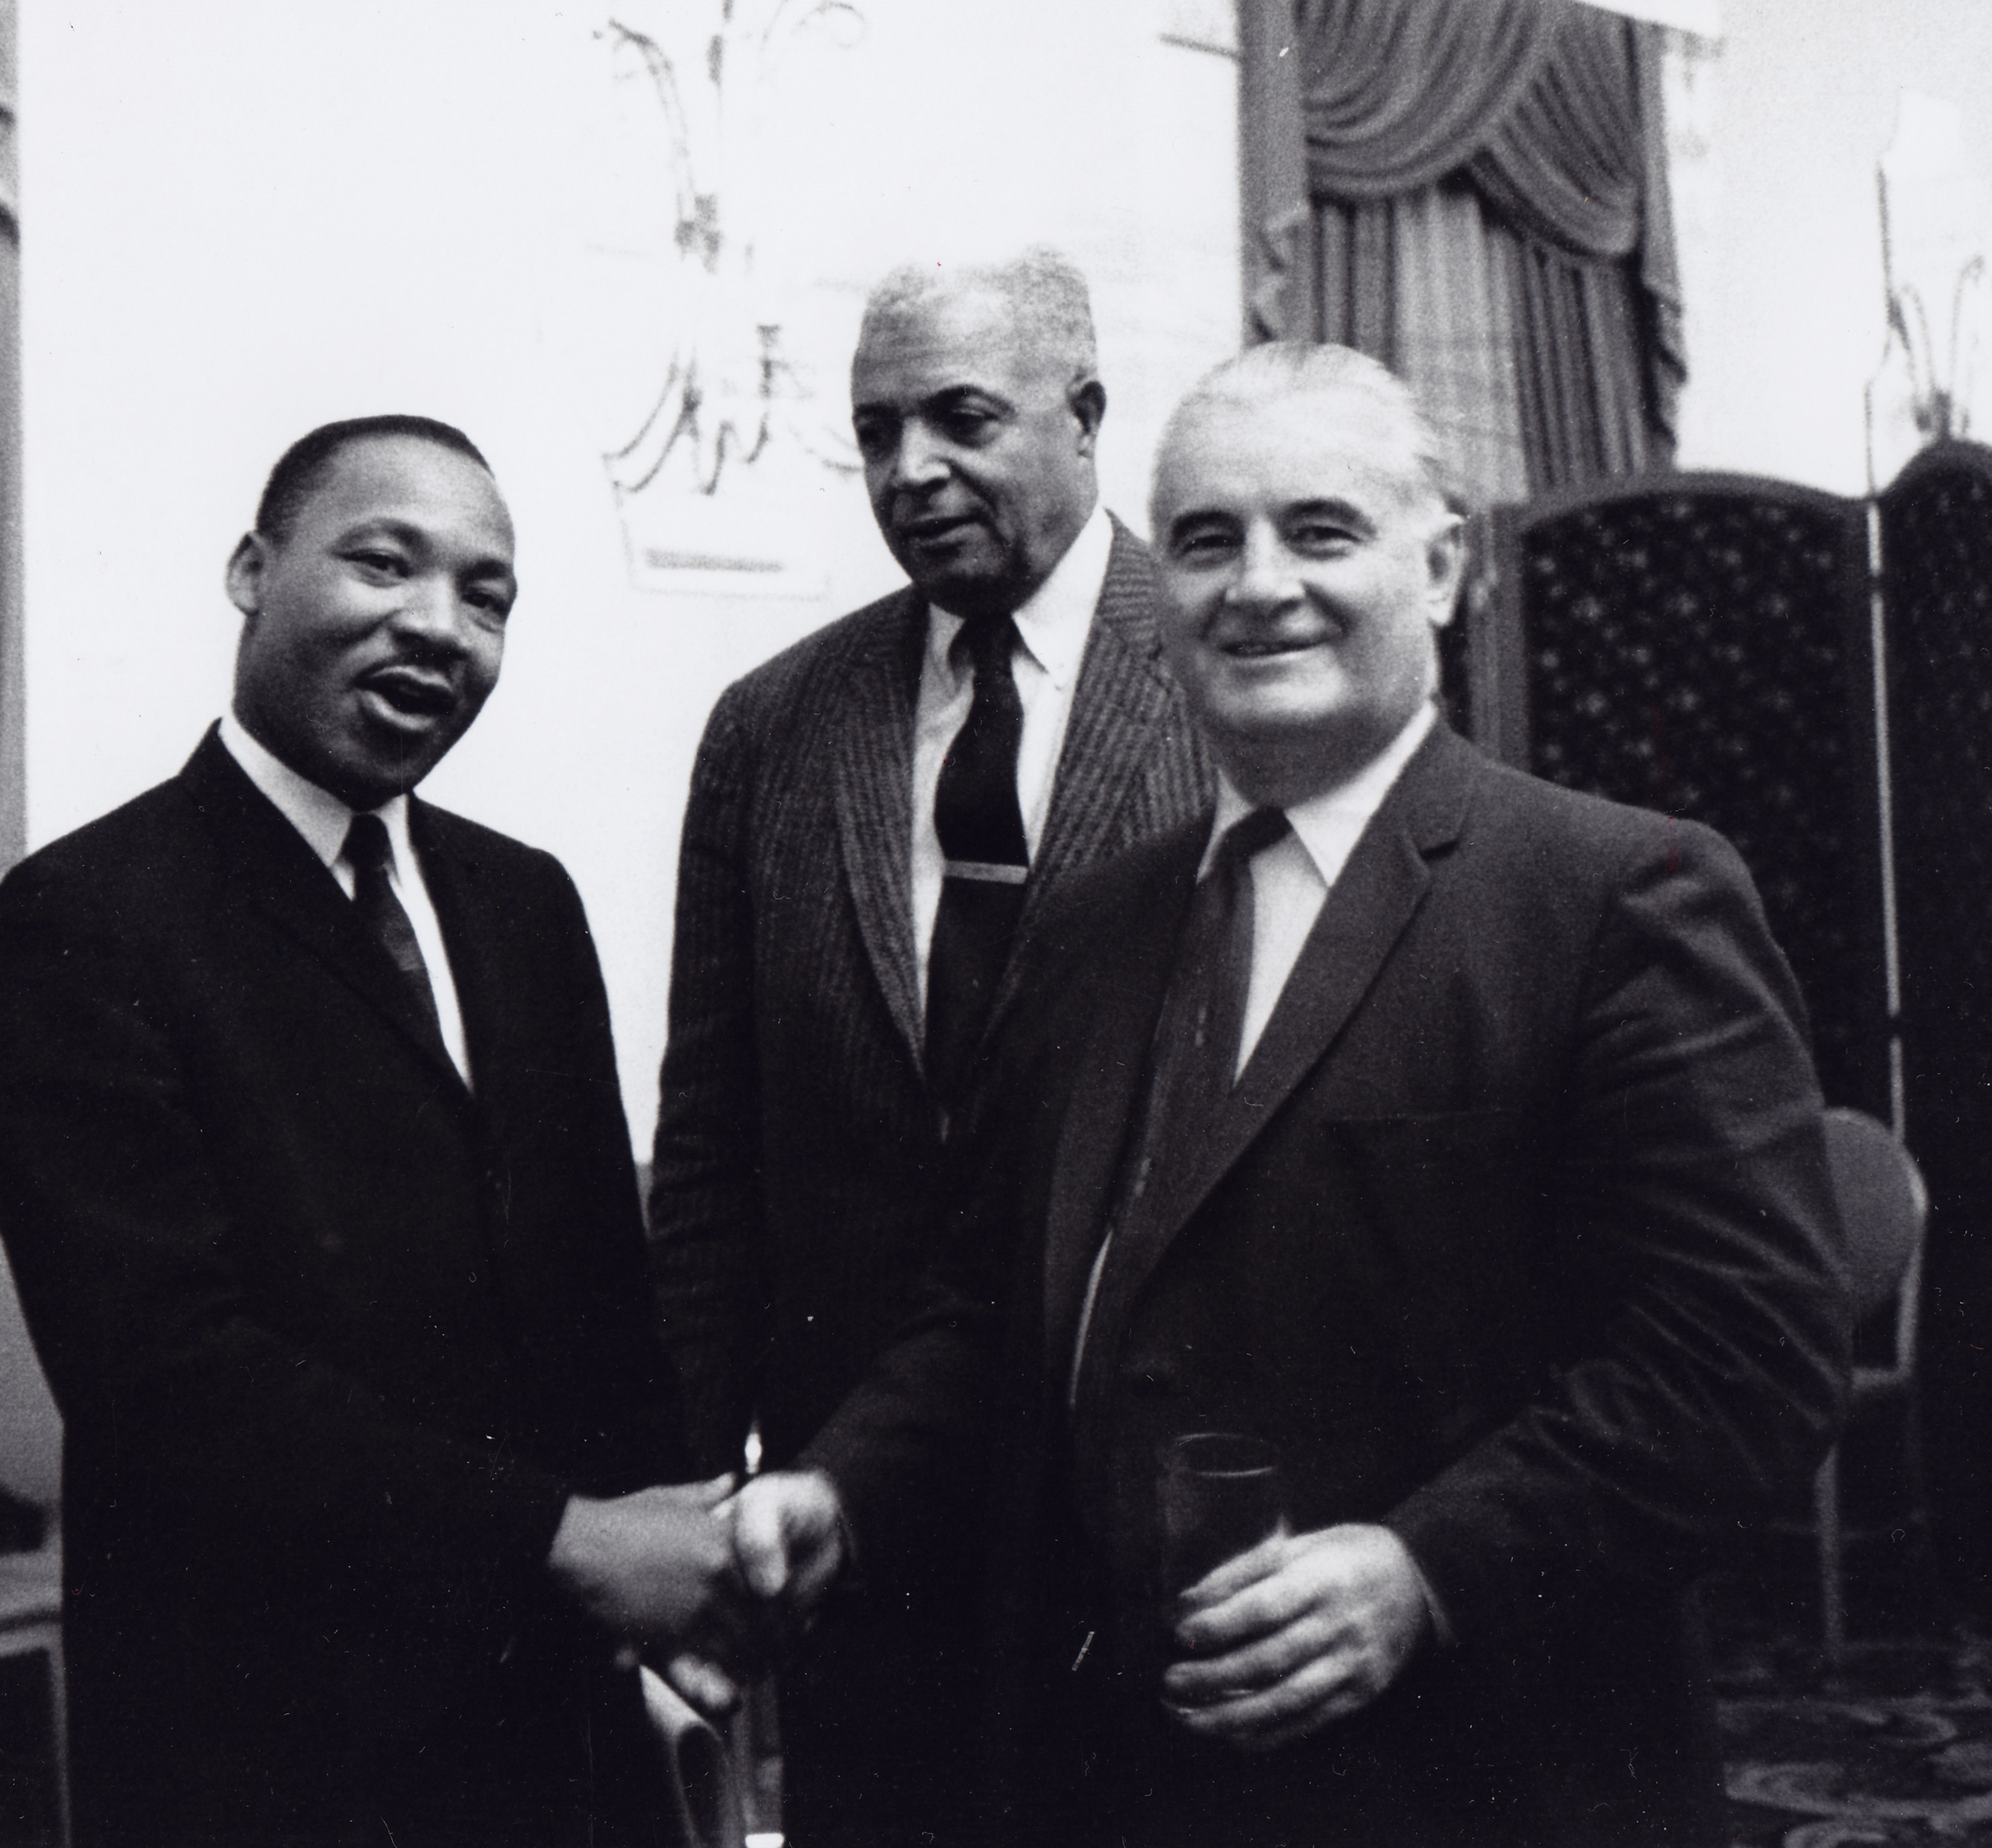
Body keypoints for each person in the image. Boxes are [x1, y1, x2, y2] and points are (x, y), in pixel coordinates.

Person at [733, 345, 1854, 1847]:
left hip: (1473, 1776)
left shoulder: (1616, 894)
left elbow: (1746, 1358)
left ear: (1444, 568)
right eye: (1205, 539)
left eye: (1320, 530)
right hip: (1109, 1772)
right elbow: (993, 1308)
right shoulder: (1095, 927)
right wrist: (845, 1486)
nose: (1258, 584)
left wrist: (1428, 1568)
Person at [0, 416, 742, 1848]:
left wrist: (679, 1564)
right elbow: (165, 1374)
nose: (437, 624)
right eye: (383, 560)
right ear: (252, 569)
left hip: (552, 1731)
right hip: (264, 1741)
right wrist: (567, 1543)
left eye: (487, 595)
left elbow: (599, 1293)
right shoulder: (88, 917)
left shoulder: (526, 904)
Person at [645, 248, 1214, 1844]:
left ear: (1088, 414)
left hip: (1153, 1504)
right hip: (855, 1517)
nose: (911, 472)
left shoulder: (1233, 675)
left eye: (960, 419)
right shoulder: (773, 728)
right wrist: (701, 1503)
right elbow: (710, 1150)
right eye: (877, 430)